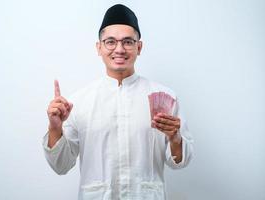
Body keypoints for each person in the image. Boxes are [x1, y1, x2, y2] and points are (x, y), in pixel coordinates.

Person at [43, 4, 193, 200]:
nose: (120, 49)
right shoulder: (78, 102)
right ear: (99, 47)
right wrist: (55, 128)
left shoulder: (165, 97)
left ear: (139, 47)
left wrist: (175, 139)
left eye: (128, 42)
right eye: (110, 42)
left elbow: (179, 163)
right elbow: (61, 165)